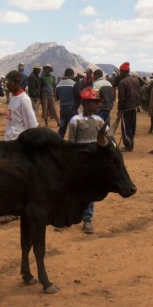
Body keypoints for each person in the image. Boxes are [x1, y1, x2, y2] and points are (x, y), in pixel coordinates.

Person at [0, 69, 38, 224]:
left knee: (14, 180)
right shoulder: (13, 98)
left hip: (19, 146)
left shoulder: (24, 100)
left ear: (17, 82)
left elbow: (32, 125)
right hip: (10, 144)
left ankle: (15, 211)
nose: (6, 85)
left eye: (9, 82)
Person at [67, 87, 106, 234]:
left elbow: (106, 138)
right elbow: (71, 144)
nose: (98, 105)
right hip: (79, 162)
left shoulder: (99, 121)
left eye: (98, 102)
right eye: (95, 102)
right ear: (85, 103)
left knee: (89, 192)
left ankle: (87, 220)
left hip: (93, 163)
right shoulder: (75, 121)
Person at [117, 62, 141, 151]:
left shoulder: (122, 82)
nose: (120, 73)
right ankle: (131, 144)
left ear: (123, 71)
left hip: (125, 108)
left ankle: (128, 146)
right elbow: (139, 94)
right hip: (134, 107)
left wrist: (120, 109)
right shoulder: (136, 80)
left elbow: (121, 98)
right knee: (132, 126)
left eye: (120, 71)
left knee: (125, 127)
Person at [55, 68, 80, 138]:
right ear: (71, 75)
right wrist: (76, 106)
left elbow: (57, 98)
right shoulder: (74, 84)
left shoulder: (58, 84)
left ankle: (58, 143)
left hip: (62, 108)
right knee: (74, 128)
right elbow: (78, 96)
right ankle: (73, 144)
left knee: (62, 127)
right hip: (72, 108)